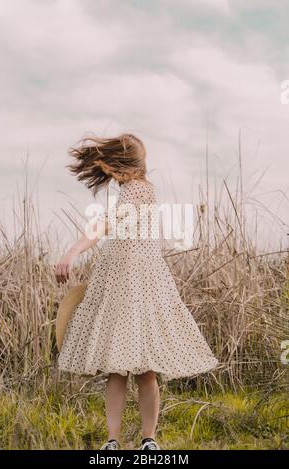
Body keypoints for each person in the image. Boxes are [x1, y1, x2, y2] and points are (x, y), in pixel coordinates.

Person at [55, 133, 218, 450]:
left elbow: (106, 223)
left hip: (139, 289)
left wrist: (73, 251)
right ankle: (113, 441)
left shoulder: (140, 190)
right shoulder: (132, 190)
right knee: (119, 371)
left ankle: (147, 440)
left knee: (144, 371)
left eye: (113, 167)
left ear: (123, 166)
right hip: (121, 286)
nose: (111, 174)